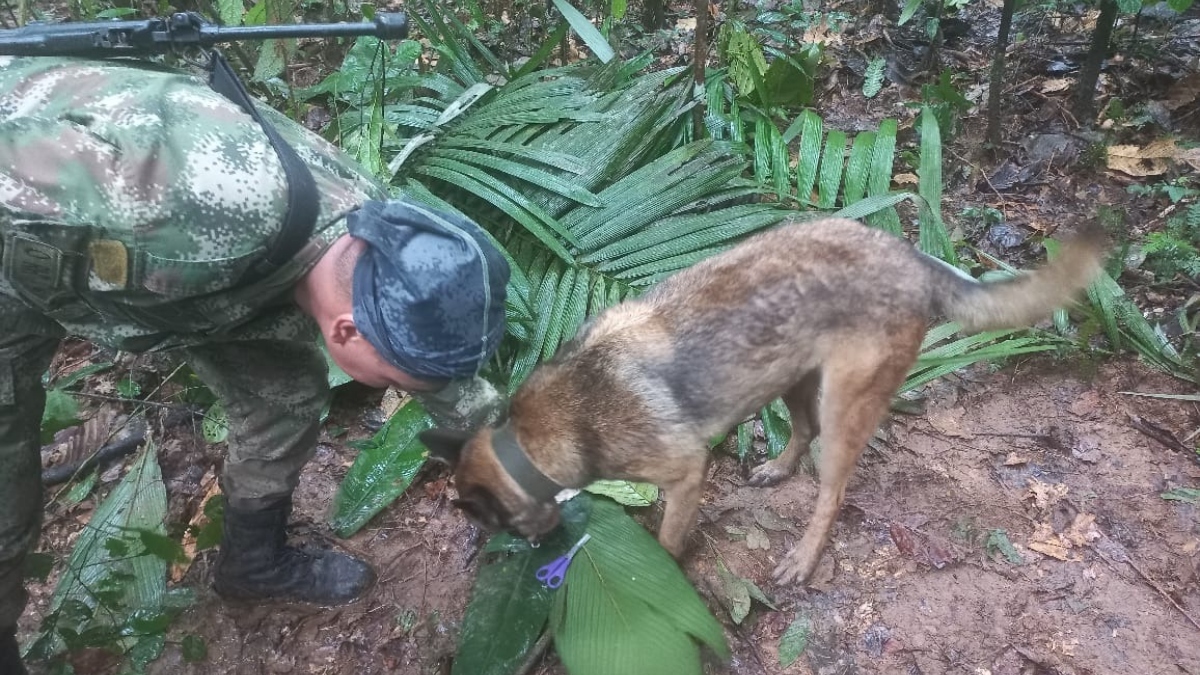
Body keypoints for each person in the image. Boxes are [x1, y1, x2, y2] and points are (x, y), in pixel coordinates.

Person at [0, 54, 510, 674]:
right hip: (25, 244)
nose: (402, 391)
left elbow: (441, 374)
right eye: (397, 382)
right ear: (346, 329)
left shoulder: (378, 235)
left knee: (285, 397)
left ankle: (252, 564)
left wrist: (523, 467)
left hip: (161, 262)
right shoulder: (182, 233)